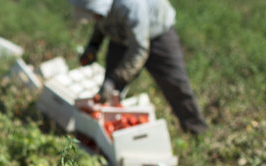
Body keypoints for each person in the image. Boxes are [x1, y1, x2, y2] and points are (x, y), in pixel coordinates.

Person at [68, 0, 208, 135]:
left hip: (157, 33)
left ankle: (196, 130)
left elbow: (139, 50)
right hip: (122, 35)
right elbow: (101, 21)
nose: (94, 17)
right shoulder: (101, 8)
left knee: (175, 85)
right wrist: (94, 45)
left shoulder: (131, 4)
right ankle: (110, 136)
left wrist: (115, 78)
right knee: (110, 93)